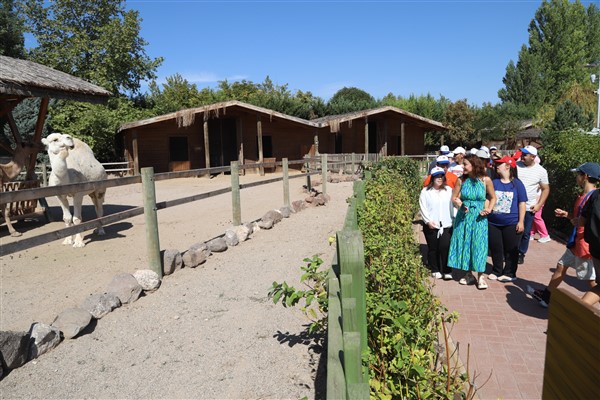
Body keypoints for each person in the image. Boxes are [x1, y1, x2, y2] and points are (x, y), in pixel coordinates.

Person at [527, 162, 598, 307]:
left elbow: (587, 223)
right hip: (575, 242)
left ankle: (584, 309)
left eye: (578, 174)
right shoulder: (583, 196)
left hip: (583, 245)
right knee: (561, 266)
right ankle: (546, 296)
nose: (576, 177)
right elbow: (580, 219)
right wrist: (567, 215)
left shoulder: (593, 198)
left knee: (591, 280)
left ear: (585, 176)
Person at [448, 154, 497, 289]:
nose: (462, 167)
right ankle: (468, 274)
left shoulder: (486, 180)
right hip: (464, 216)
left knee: (479, 245)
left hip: (479, 217)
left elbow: (493, 198)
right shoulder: (461, 181)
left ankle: (481, 276)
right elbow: (454, 198)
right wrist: (459, 204)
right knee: (466, 243)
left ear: (474, 165)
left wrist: (489, 209)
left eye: (465, 164)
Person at [487, 156, 527, 282]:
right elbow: (488, 198)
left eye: (500, 164)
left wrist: (521, 221)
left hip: (511, 222)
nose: (496, 165)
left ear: (508, 166)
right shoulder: (494, 183)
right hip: (493, 222)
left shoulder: (517, 184)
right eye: (496, 163)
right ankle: (497, 270)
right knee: (495, 247)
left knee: (511, 249)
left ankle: (510, 273)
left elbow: (522, 203)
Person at [516, 145, 550, 264]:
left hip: (529, 207)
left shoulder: (541, 171)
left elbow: (545, 189)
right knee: (512, 230)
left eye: (525, 155)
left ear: (533, 157)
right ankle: (510, 252)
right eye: (522, 154)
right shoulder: (516, 166)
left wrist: (539, 204)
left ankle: (521, 253)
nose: (522, 156)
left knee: (525, 233)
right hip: (514, 206)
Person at [419, 167, 454, 280]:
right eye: (437, 176)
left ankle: (447, 270)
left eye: (441, 176)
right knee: (433, 248)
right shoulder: (425, 192)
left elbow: (454, 205)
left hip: (446, 224)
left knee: (445, 247)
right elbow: (423, 207)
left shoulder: (448, 190)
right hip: (431, 224)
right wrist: (428, 221)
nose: (439, 178)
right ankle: (435, 269)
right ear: (432, 178)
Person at [581, 165, 600, 305]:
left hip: (596, 249)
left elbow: (582, 221)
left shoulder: (595, 195)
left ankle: (575, 315)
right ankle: (575, 316)